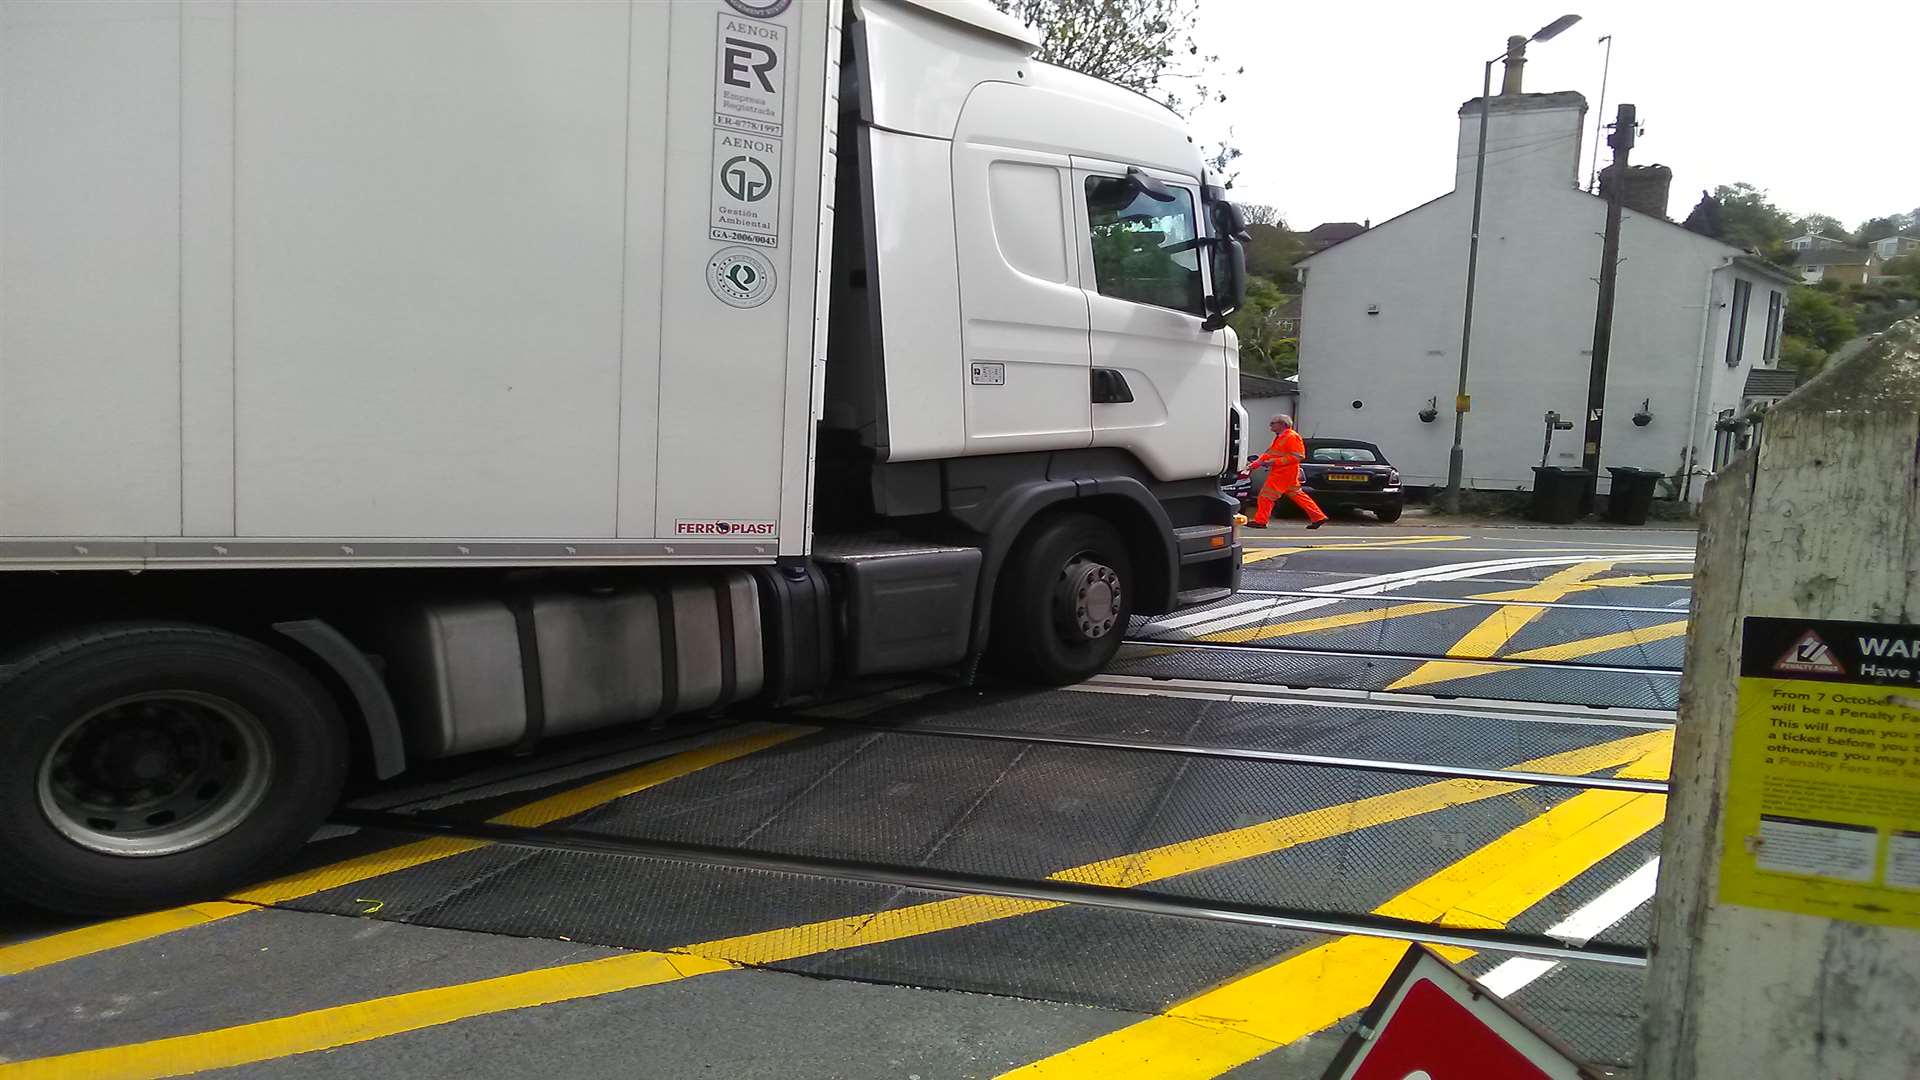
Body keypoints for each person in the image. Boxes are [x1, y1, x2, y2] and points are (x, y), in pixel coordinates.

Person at [1242, 414, 1327, 529]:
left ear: (1282, 424)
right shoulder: (1281, 437)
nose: (1270, 426)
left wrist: (1274, 462)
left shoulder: (1291, 437)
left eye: (1273, 423)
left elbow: (1298, 456)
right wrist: (1253, 465)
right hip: (1285, 473)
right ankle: (1318, 517)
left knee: (1265, 496)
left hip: (1283, 473)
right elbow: (1269, 454)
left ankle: (1261, 521)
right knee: (1298, 495)